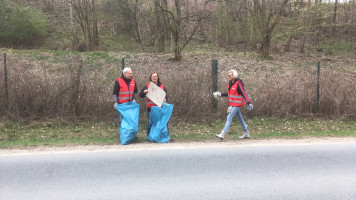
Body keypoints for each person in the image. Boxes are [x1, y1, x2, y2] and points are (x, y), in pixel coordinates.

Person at [213, 69, 253, 139]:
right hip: (233, 104)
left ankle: (222, 134)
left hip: (237, 104)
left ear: (233, 75)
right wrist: (220, 94)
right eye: (228, 75)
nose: (228, 76)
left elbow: (243, 93)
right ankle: (246, 133)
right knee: (239, 118)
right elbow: (230, 94)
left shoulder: (238, 83)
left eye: (229, 75)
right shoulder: (230, 83)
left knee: (229, 117)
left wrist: (249, 103)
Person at [139, 72, 168, 136]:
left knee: (160, 123)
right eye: (153, 76)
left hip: (160, 108)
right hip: (151, 108)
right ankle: (149, 135)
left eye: (156, 76)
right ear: (151, 78)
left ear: (158, 78)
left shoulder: (162, 86)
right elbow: (140, 95)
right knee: (150, 123)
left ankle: (159, 135)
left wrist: (165, 99)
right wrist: (144, 92)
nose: (155, 78)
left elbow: (165, 95)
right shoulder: (148, 86)